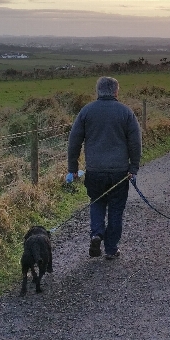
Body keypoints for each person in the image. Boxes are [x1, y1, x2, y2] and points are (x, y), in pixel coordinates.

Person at [66, 76, 142, 260]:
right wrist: (133, 167)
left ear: (98, 91)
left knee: (97, 202)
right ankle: (111, 249)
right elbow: (135, 143)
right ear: (116, 91)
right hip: (119, 173)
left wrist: (72, 167)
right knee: (116, 209)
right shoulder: (126, 112)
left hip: (95, 171)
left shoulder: (86, 112)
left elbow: (74, 142)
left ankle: (96, 234)